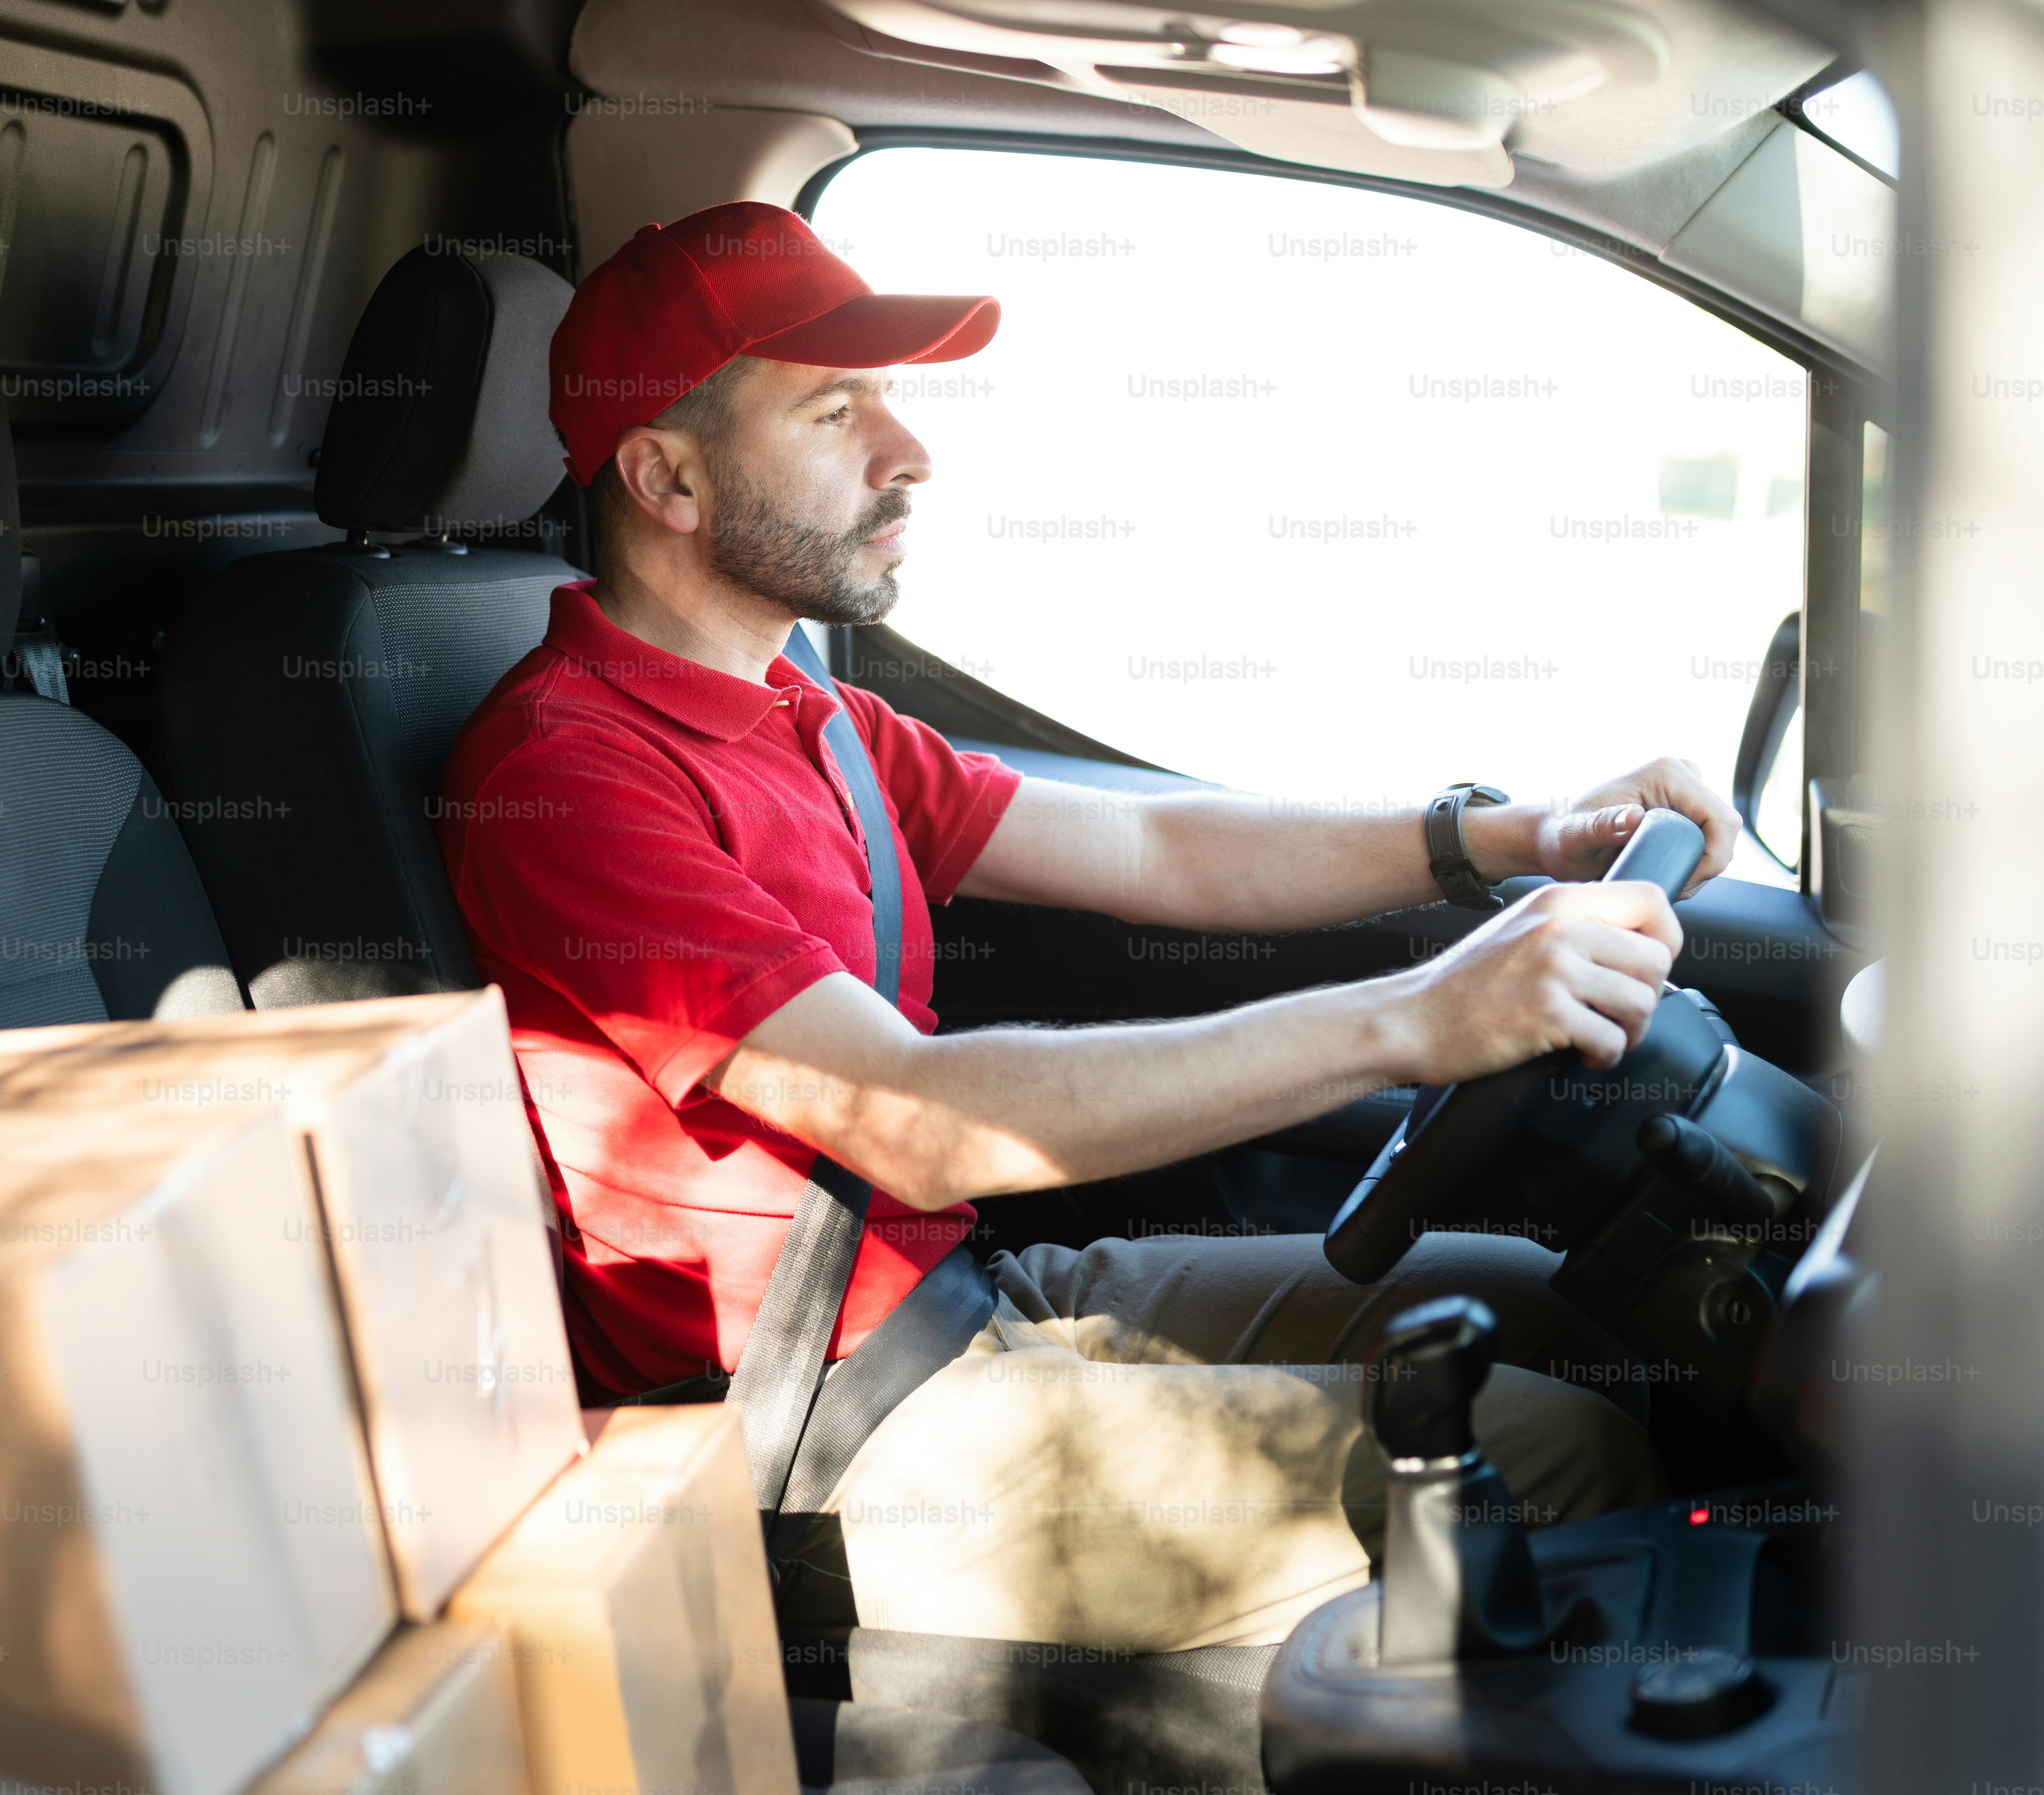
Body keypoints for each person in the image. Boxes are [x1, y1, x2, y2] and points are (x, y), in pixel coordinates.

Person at [436, 200, 1731, 1652]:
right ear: (667, 478)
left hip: (956, 1304)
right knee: (1552, 1463)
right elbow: (909, 1123)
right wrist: (1420, 1018)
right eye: (834, 409)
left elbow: (1149, 841)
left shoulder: (812, 716)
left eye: (895, 405)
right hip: (830, 1436)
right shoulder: (563, 778)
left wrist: (1499, 837)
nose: (907, 452)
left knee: (1555, 1305)